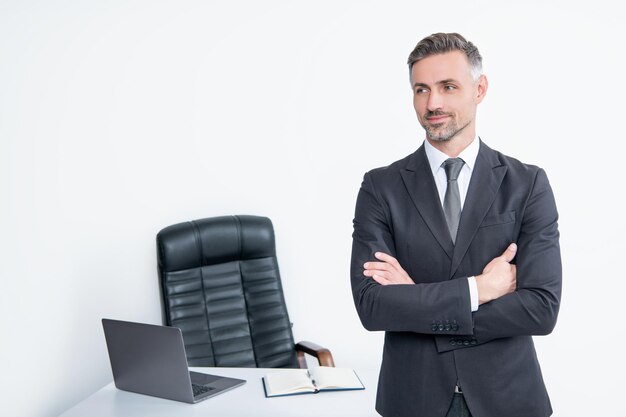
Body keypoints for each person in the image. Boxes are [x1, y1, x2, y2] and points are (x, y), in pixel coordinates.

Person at [350, 33, 561, 417]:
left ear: (479, 89)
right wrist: (480, 289)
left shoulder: (527, 184)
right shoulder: (380, 187)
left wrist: (417, 301)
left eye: (448, 87)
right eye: (421, 89)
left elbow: (540, 309)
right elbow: (373, 305)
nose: (433, 103)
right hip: (413, 398)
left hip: (508, 396)